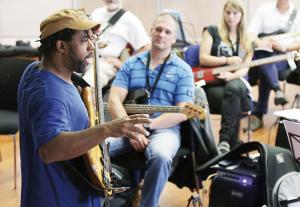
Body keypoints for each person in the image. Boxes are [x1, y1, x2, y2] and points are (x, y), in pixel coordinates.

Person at [17, 9, 151, 207]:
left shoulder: (36, 71)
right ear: (61, 46)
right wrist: (108, 129)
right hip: (61, 199)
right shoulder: (49, 94)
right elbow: (50, 149)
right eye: (83, 40)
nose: (92, 47)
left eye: (92, 38)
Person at [106, 13, 195, 207]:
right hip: (128, 126)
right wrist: (130, 128)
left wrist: (149, 124)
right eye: (158, 29)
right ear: (151, 32)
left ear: (173, 38)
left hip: (164, 129)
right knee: (94, 148)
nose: (161, 34)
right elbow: (114, 100)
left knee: (162, 157)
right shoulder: (131, 63)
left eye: (167, 31)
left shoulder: (183, 69)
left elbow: (183, 111)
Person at [199, 0, 253, 153]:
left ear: (242, 15)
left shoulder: (248, 40)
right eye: (228, 12)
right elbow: (203, 57)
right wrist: (228, 60)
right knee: (233, 99)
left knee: (234, 87)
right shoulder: (211, 31)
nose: (231, 17)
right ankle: (232, 144)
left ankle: (223, 141)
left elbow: (245, 68)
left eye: (235, 13)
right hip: (213, 85)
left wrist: (232, 76)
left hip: (237, 80)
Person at [248, 0, 300, 131]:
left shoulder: (297, 14)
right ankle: (277, 90)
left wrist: (283, 47)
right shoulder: (264, 9)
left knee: (264, 65)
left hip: (285, 58)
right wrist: (261, 43)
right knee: (263, 57)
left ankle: (258, 114)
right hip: (262, 54)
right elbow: (251, 33)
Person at [82, 0, 151, 90]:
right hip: (87, 58)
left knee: (87, 85)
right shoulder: (97, 12)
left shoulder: (130, 19)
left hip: (106, 63)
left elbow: (147, 47)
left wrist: (124, 65)